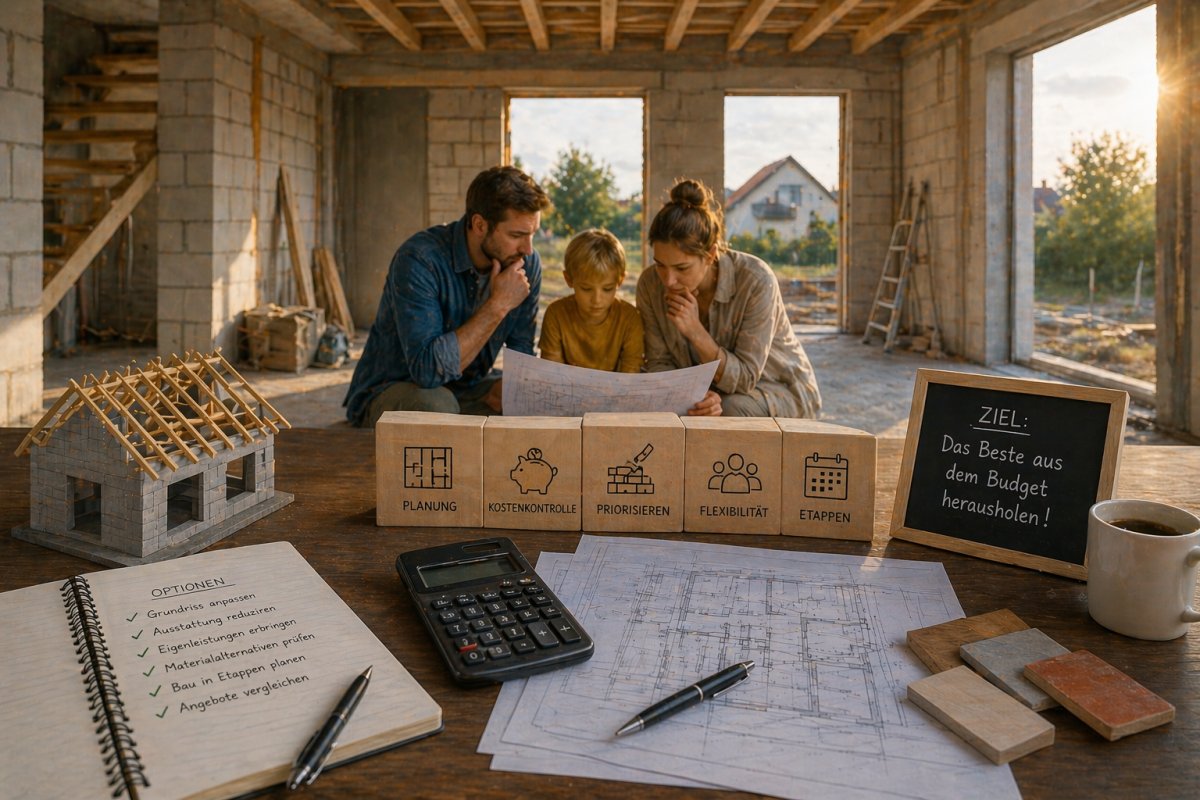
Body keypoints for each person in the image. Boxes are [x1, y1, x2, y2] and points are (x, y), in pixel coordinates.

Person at [344, 166, 550, 426]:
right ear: (479, 225)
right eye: (517, 235)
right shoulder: (420, 259)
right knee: (435, 406)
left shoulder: (525, 263)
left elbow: (522, 355)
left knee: (531, 402)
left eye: (533, 234)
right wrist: (498, 305)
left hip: (467, 388)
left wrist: (512, 389)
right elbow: (427, 371)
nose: (528, 249)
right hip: (397, 389)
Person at [637, 178, 821, 418]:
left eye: (682, 268)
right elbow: (659, 364)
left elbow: (745, 379)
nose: (668, 280)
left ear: (711, 254)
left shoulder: (755, 280)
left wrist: (695, 332)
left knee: (730, 408)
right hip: (708, 393)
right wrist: (692, 396)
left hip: (777, 389)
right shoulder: (650, 284)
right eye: (660, 265)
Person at [538, 228, 644, 373]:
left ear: (620, 280)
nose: (597, 300)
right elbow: (551, 374)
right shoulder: (556, 314)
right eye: (586, 289)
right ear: (568, 279)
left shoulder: (629, 318)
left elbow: (630, 375)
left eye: (607, 289)